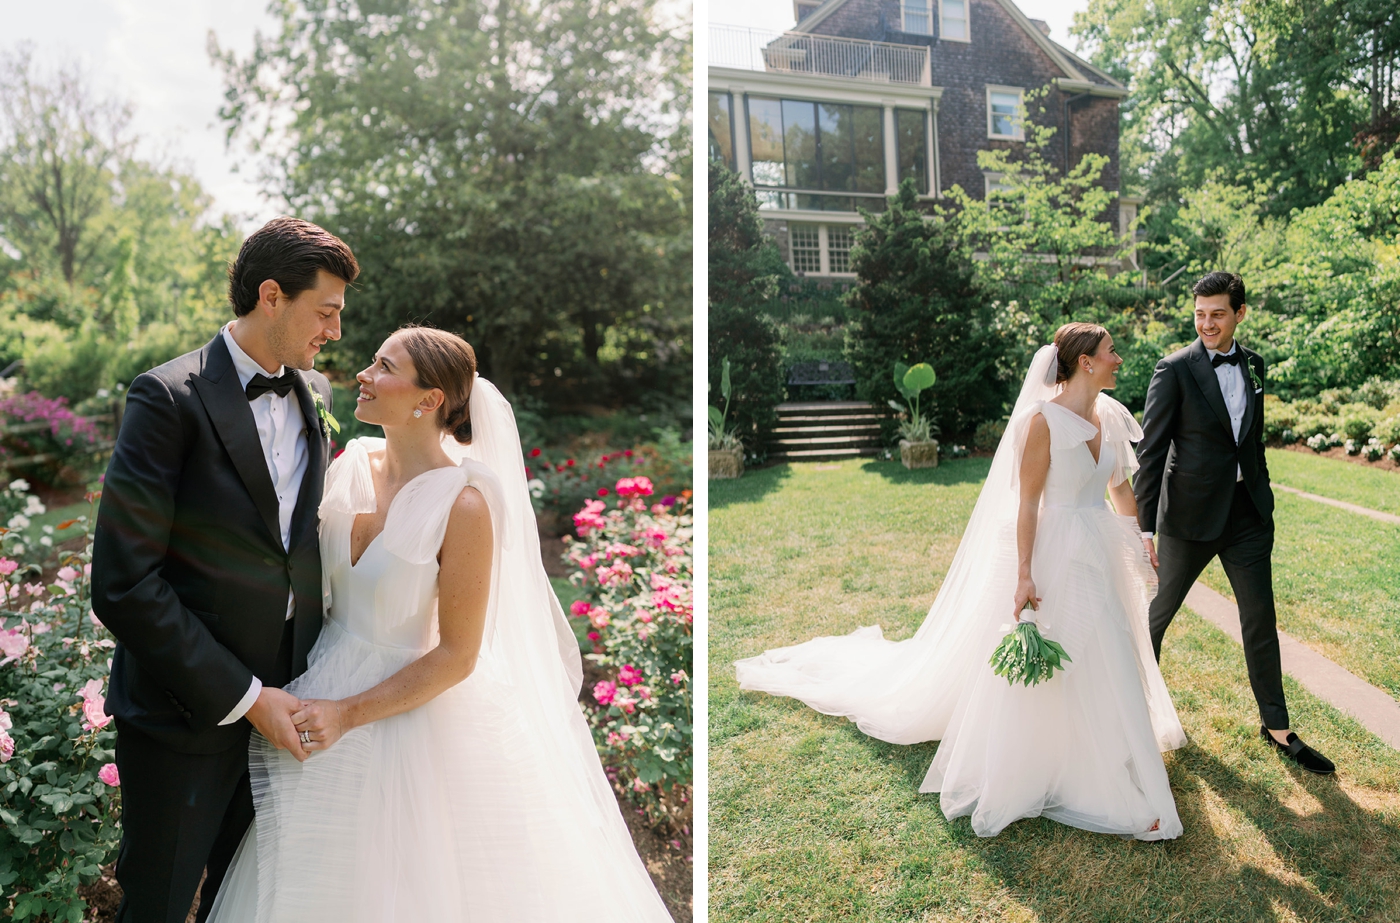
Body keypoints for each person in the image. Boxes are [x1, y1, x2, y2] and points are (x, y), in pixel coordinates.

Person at [206, 327, 673, 921]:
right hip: (321, 684)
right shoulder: (350, 466)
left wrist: (346, 714)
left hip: (406, 714)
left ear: (428, 400)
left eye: (383, 366)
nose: (363, 376)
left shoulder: (464, 505)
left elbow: (457, 654)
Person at [737, 323, 1184, 840]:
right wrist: (1024, 572)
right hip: (1054, 548)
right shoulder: (1041, 423)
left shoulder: (1108, 413)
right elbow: (1028, 504)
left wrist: (1138, 537)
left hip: (1098, 548)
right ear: (1086, 362)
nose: (1119, 359)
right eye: (1112, 352)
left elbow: (1120, 487)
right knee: (1061, 654)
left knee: (1108, 644)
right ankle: (1062, 765)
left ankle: (1115, 748)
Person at [92, 217, 358, 922]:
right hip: (184, 717)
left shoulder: (319, 396)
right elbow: (123, 580)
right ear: (272, 294)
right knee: (158, 903)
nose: (333, 329)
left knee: (257, 906)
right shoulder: (167, 397)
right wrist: (245, 696)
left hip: (290, 706)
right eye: (325, 311)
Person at [1135, 271, 1334, 774]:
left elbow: (1251, 437)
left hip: (1247, 516)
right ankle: (1130, 716)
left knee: (1259, 620)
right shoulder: (1173, 369)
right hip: (1187, 519)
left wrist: (1262, 496)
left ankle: (1276, 726)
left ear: (1239, 313)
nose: (1207, 324)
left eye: (1217, 314)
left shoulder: (1255, 365)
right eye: (1200, 314)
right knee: (1152, 620)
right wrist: (1143, 528)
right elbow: (1152, 451)